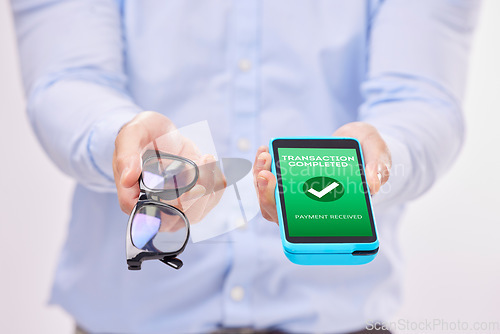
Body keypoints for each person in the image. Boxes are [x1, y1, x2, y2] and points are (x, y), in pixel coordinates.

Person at [11, 1, 480, 333]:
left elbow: (420, 98)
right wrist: (122, 139)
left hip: (343, 320)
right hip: (131, 320)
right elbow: (66, 81)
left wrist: (381, 158)